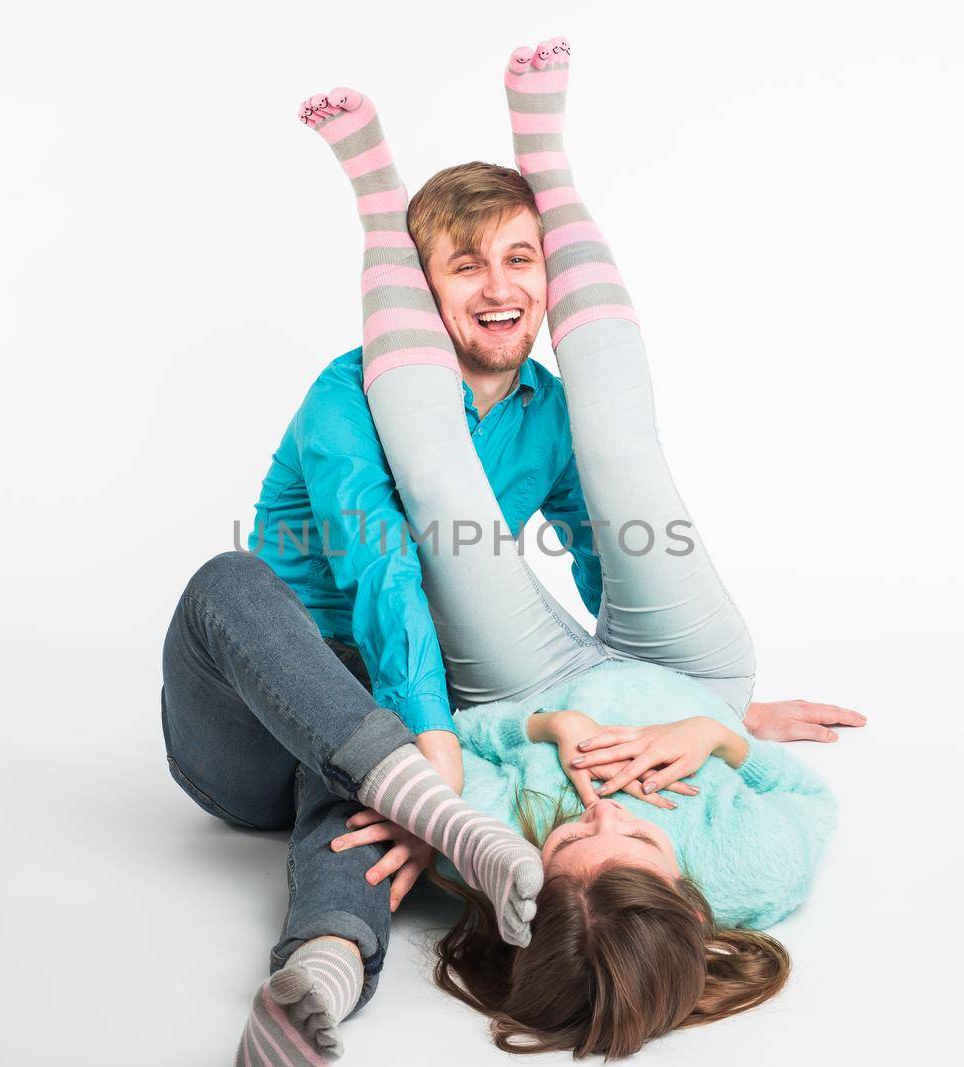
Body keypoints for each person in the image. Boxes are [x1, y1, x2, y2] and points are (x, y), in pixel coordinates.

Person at [296, 36, 858, 1059]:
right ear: (689, 881)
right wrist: (725, 725)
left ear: (534, 873)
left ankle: (379, 208)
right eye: (636, 828)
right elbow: (801, 791)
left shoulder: (498, 856)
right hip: (688, 674)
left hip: (530, 680)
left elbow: (430, 633)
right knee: (619, 446)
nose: (602, 803)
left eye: (567, 830)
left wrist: (473, 750)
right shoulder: (752, 870)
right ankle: (545, 160)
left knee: (442, 500)